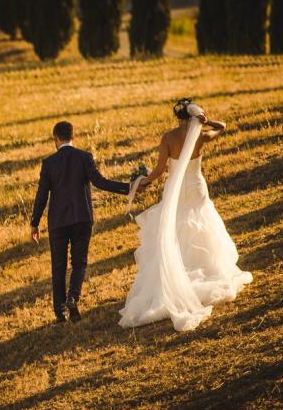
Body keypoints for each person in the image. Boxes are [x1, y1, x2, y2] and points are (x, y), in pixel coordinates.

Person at [118, 99, 252, 332]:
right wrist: (206, 121)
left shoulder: (168, 138)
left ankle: (180, 270)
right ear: (193, 116)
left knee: (176, 228)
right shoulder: (200, 134)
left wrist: (142, 181)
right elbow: (223, 127)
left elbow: (160, 171)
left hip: (177, 189)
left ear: (177, 117)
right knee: (201, 225)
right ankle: (206, 268)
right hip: (196, 187)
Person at [30, 121, 134, 323]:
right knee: (79, 263)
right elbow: (100, 182)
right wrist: (128, 188)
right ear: (72, 137)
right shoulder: (84, 157)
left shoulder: (48, 163)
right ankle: (72, 297)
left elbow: (41, 195)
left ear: (56, 138)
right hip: (82, 219)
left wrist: (34, 222)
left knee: (58, 266)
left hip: (58, 222)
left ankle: (60, 312)